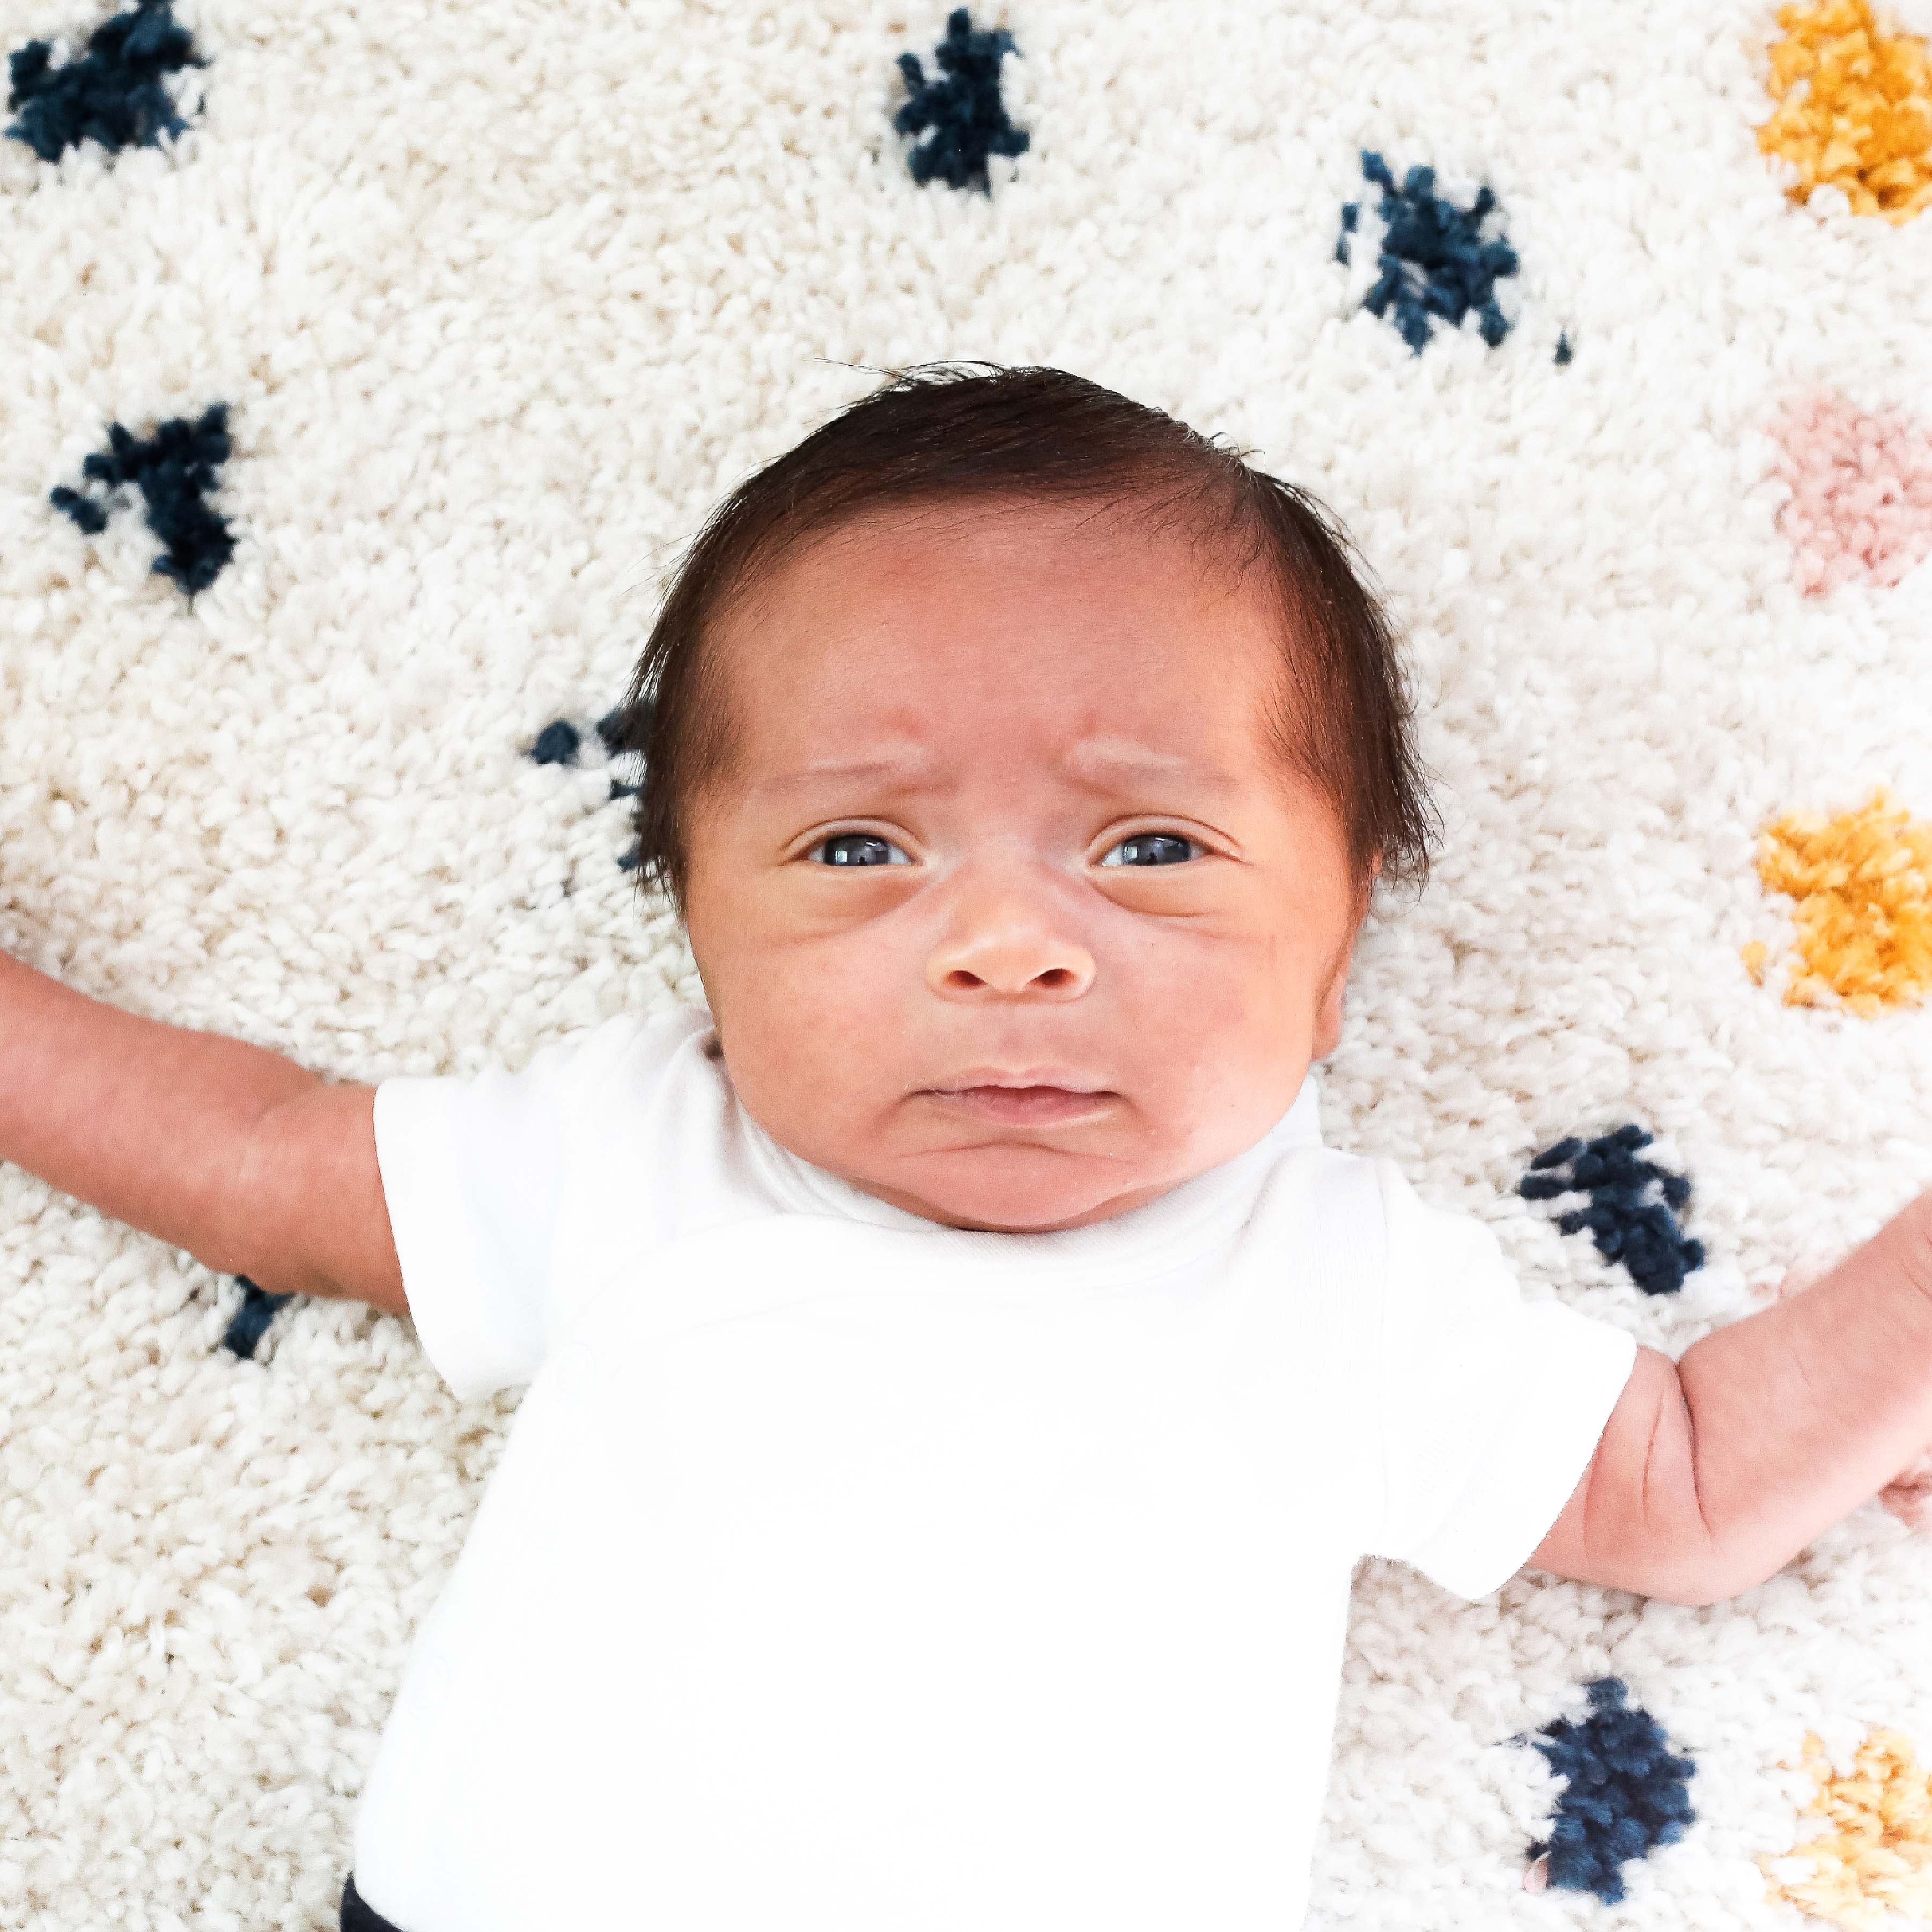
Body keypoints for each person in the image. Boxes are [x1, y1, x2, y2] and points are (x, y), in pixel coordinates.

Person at [5, 364, 1930, 1932]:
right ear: (702, 937)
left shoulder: (1344, 1285)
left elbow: (1681, 1481)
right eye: (861, 849)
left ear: (1335, 958)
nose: (1005, 940)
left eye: (1148, 847)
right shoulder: (648, 1146)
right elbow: (258, 1153)